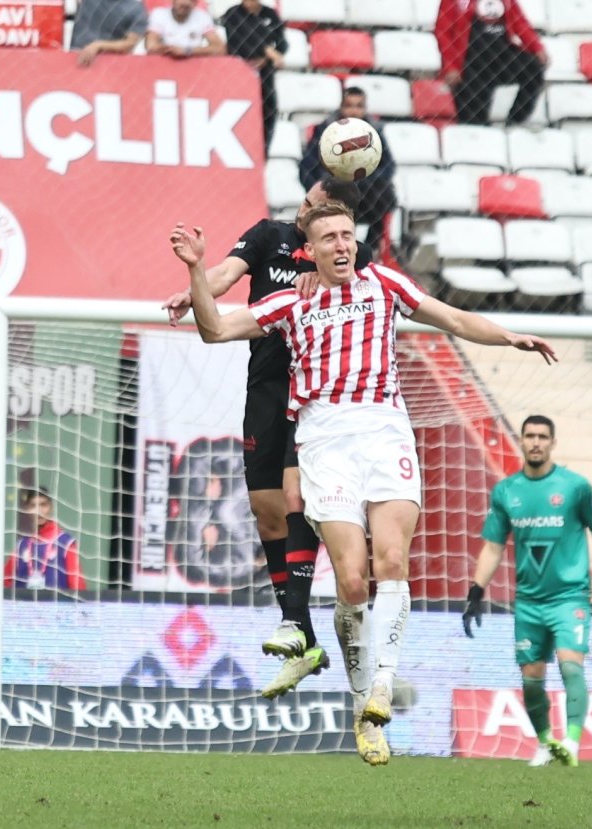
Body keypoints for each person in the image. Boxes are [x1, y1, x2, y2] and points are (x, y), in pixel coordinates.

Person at [170, 203, 556, 765]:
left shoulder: (384, 283)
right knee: (352, 580)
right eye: (329, 238)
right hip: (324, 440)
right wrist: (196, 271)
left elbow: (452, 318)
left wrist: (510, 336)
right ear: (312, 250)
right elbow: (216, 329)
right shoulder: (291, 301)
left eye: (348, 235)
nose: (342, 245)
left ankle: (382, 688)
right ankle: (361, 708)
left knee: (392, 560)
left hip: (385, 432)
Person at [162, 177, 372, 702]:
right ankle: (298, 626)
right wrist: (194, 289)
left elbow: (362, 295)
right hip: (266, 381)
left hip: (317, 387)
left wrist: (320, 284)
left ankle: (340, 623)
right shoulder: (268, 236)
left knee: (299, 494)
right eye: (307, 205)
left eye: (320, 210)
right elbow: (226, 277)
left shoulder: (342, 252)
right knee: (264, 507)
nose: (308, 215)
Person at [461, 416, 592, 768]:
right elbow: (493, 546)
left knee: (571, 668)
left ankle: (573, 742)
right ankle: (544, 742)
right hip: (529, 602)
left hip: (570, 597)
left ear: (553, 443)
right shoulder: (506, 492)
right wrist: (476, 591)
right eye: (530, 436)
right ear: (520, 441)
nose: (536, 442)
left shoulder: (574, 487)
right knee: (531, 678)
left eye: (542, 437)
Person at [299, 87, 398, 253]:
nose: (354, 111)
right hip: (333, 191)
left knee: (385, 191)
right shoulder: (325, 130)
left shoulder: (374, 132)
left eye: (359, 106)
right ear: (341, 107)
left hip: (367, 194)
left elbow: (388, 167)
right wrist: (318, 191)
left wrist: (364, 179)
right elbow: (307, 168)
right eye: (349, 105)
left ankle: (369, 250)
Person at [435, 0, 548, 126]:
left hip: (502, 58)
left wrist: (537, 47)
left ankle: (515, 123)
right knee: (475, 123)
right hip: (471, 65)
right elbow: (443, 32)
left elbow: (519, 22)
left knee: (533, 69)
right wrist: (451, 67)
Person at [220, 0, 288, 153]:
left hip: (265, 75)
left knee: (268, 114)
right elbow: (236, 42)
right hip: (239, 72)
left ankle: (263, 155)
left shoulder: (270, 14)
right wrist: (267, 50)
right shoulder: (233, 13)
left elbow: (283, 44)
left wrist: (265, 58)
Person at [3, 487, 87, 592]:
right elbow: (5, 582)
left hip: (57, 607)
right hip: (25, 607)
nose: (39, 511)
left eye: (43, 505)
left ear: (50, 507)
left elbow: (78, 586)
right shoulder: (21, 545)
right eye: (33, 506)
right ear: (27, 510)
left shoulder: (65, 543)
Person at [69, 0, 148, 67]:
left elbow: (130, 44)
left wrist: (98, 45)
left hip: (108, 64)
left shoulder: (138, 11)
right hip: (73, 57)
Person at [145, 0, 226, 58]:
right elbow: (151, 46)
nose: (186, 2)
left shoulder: (202, 16)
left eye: (191, 0)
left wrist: (187, 51)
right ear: (173, 1)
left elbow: (220, 49)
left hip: (194, 64)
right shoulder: (159, 14)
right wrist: (173, 50)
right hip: (164, 62)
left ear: (196, 3)